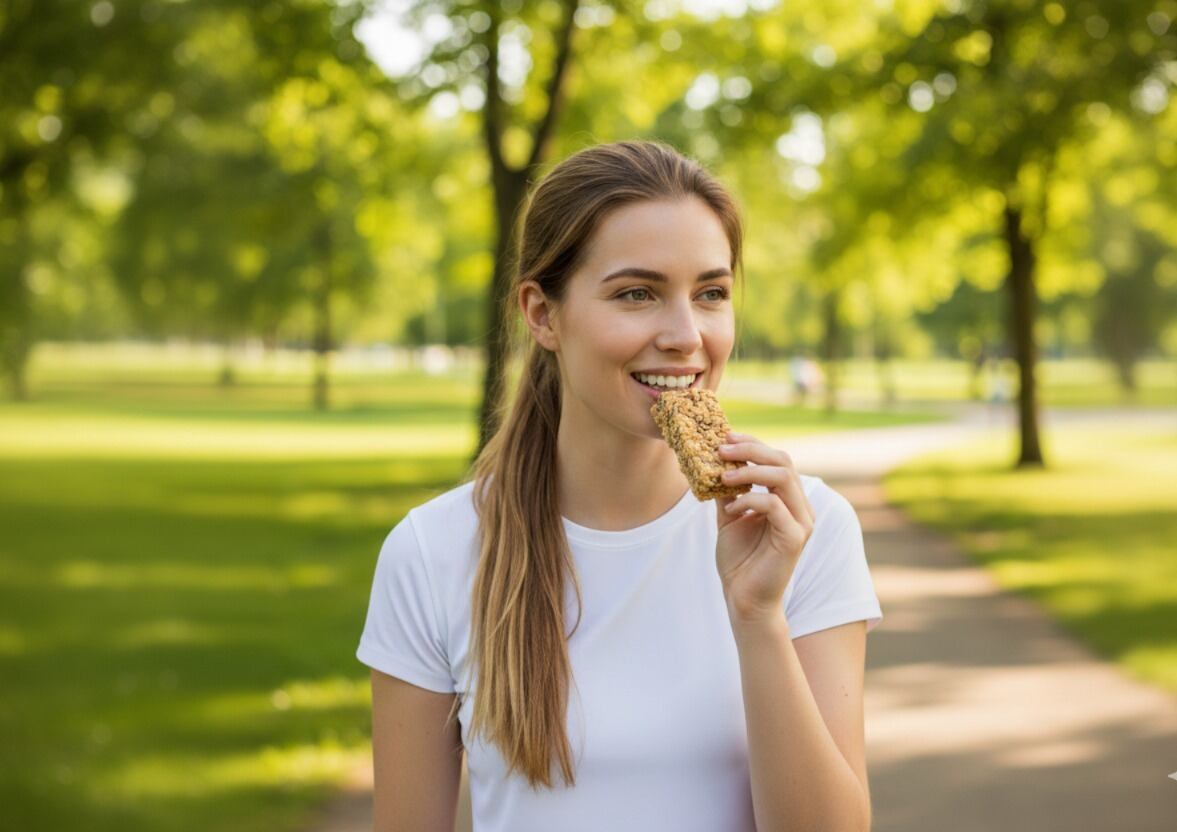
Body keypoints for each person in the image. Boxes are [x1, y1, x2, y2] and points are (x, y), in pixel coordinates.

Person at [357, 139, 884, 832]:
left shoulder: (805, 529)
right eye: (637, 293)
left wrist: (758, 619)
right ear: (542, 315)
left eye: (711, 293)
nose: (683, 334)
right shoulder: (434, 551)